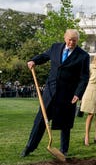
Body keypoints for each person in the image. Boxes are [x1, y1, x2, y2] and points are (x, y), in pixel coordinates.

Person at [21, 29, 90, 157]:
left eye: (74, 40)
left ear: (77, 41)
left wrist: (78, 94)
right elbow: (44, 56)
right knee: (40, 120)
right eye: (69, 39)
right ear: (65, 38)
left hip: (68, 95)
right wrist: (34, 60)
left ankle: (63, 150)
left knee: (65, 123)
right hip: (50, 91)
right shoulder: (55, 47)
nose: (71, 42)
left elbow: (84, 77)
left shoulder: (83, 56)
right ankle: (29, 147)